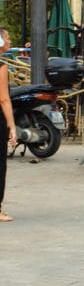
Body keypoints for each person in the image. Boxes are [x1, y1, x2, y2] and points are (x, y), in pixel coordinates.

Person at [0, 28, 18, 221]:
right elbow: (4, 99)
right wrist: (12, 126)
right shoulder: (1, 67)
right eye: (6, 38)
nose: (10, 40)